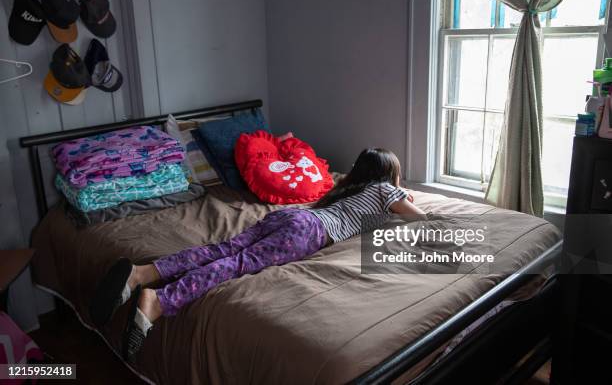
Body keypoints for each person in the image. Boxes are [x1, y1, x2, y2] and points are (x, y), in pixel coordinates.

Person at [89, 148, 424, 360]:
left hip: (293, 216)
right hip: (310, 231)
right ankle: (159, 301)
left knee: (224, 249)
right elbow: (419, 217)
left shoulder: (347, 191)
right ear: (387, 175)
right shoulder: (385, 189)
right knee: (238, 264)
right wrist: (403, 195)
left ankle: (143, 273)